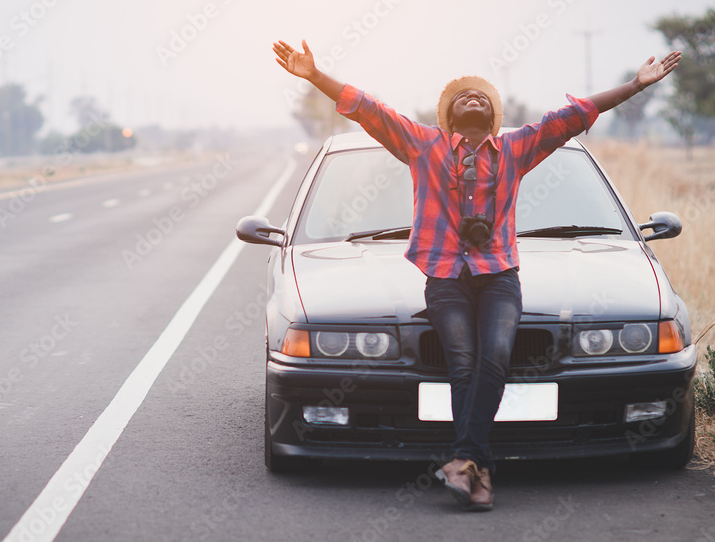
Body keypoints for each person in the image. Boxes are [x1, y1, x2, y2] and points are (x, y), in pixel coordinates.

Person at [272, 39, 680, 511]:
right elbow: (370, 111)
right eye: (465, 97)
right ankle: (476, 466)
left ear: (493, 116)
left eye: (483, 98)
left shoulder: (517, 149)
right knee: (462, 362)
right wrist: (315, 75)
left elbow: (574, 118)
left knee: (497, 357)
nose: (475, 99)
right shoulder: (422, 146)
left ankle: (465, 458)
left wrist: (635, 84)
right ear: (449, 115)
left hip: (499, 274)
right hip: (444, 277)